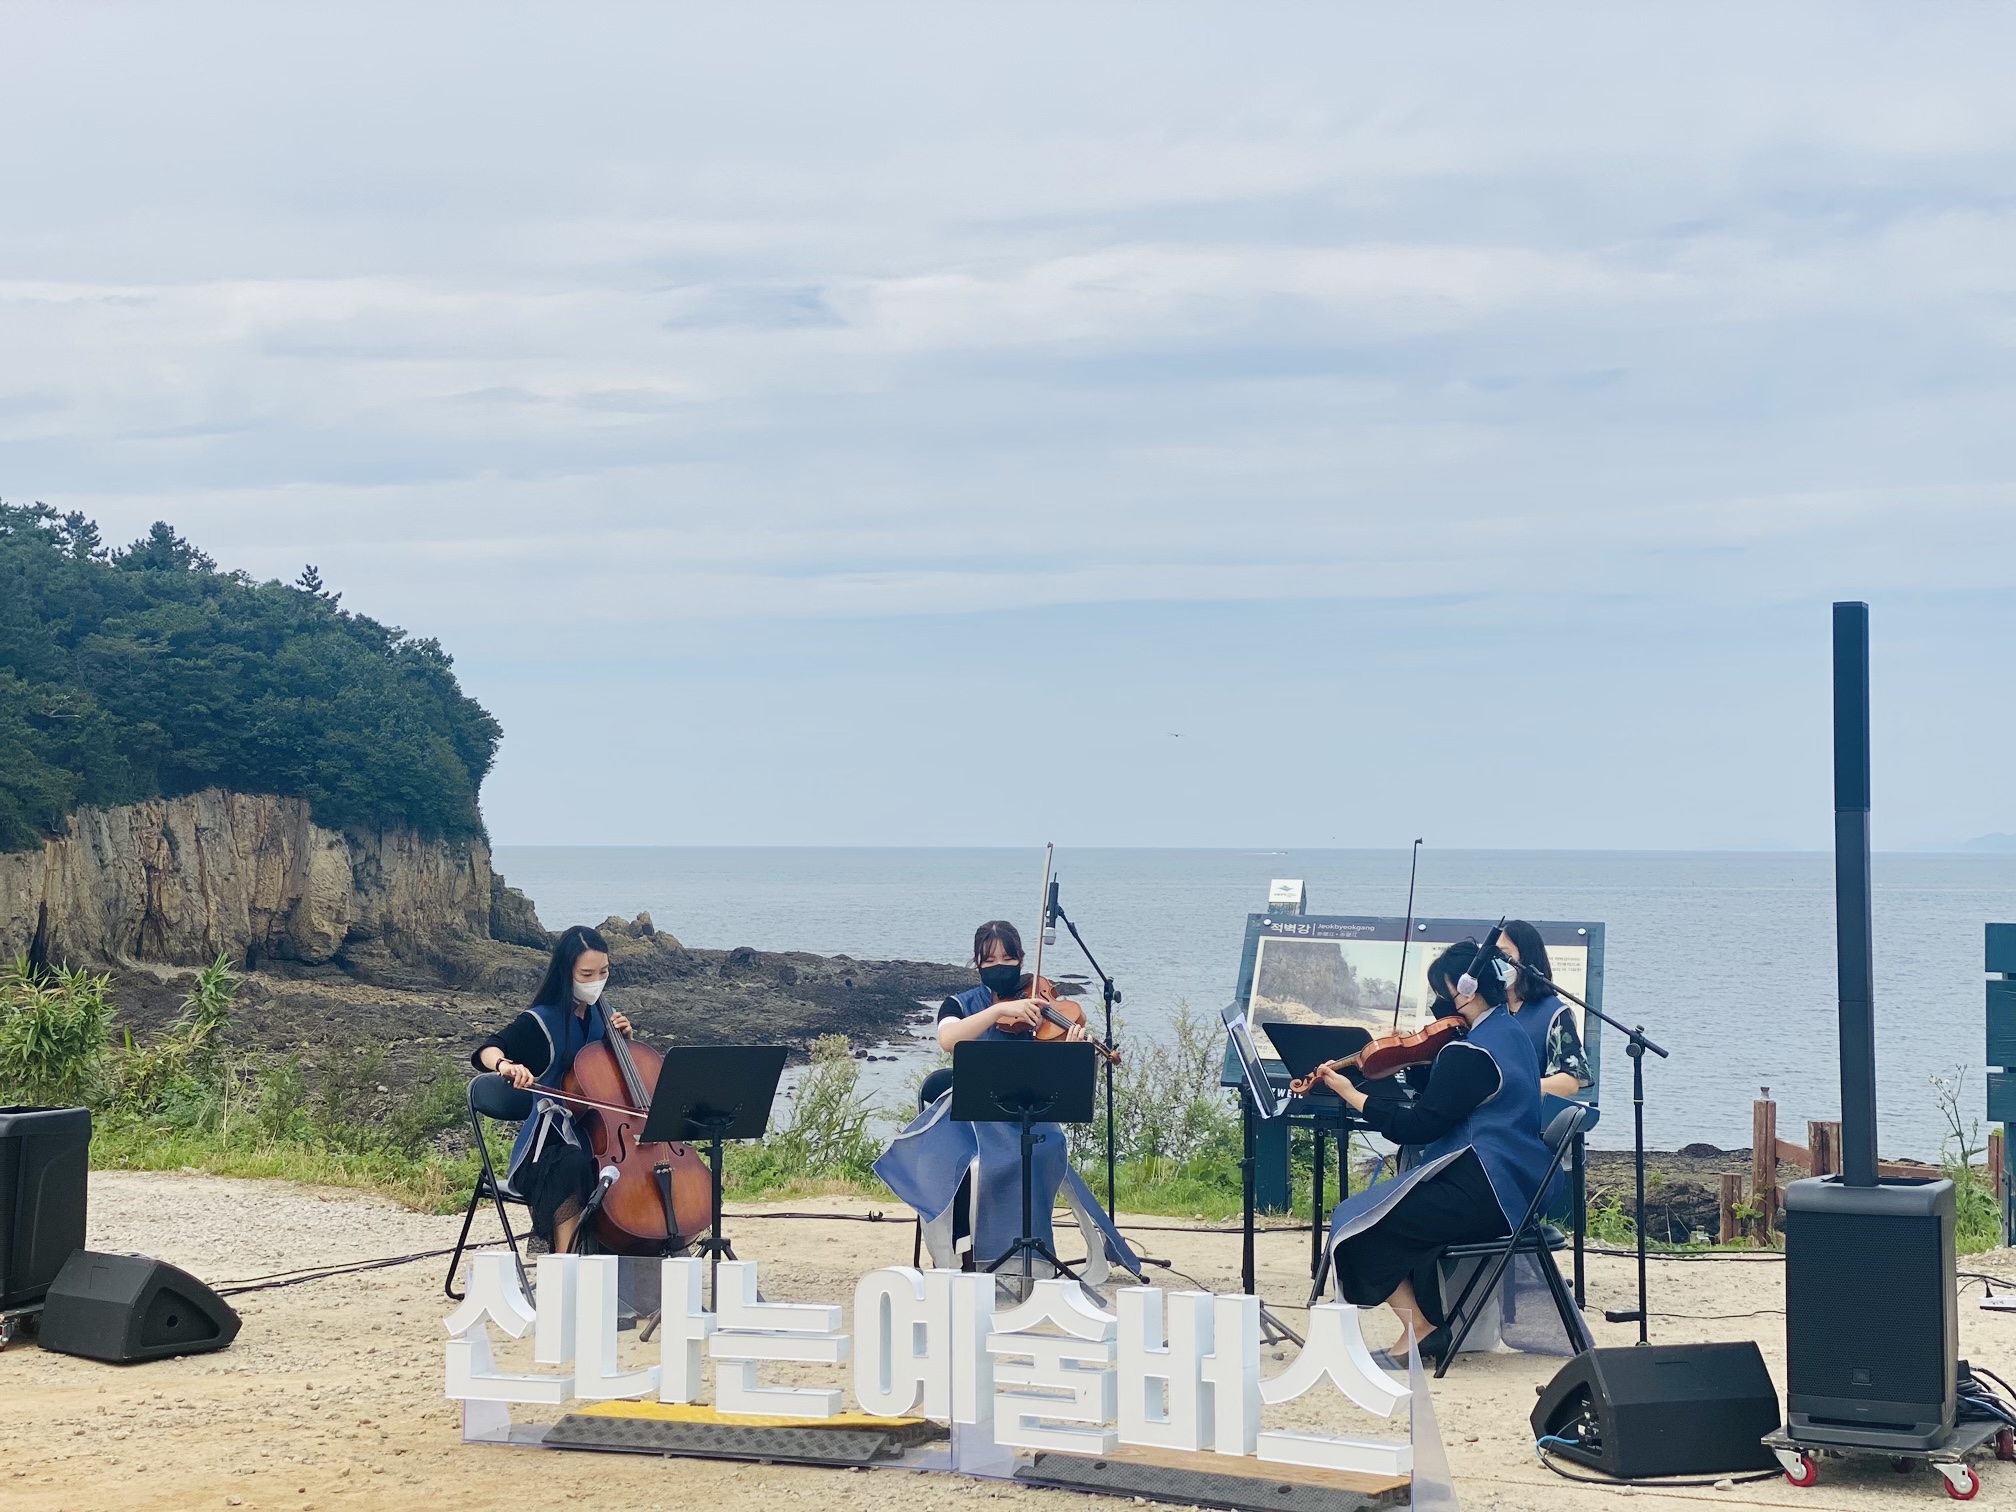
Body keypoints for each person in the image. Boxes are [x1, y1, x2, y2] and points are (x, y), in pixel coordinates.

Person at [1315, 939, 1551, 1364]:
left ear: (1467, 991)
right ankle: (1426, 1324)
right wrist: (1421, 1066)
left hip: (1485, 1190)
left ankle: (1422, 1329)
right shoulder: (1512, 1032)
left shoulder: (1470, 1053)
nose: (1440, 1005)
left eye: (1444, 993)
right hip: (1519, 1185)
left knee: (1356, 1225)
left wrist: (1352, 1094)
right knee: (1397, 1213)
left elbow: (1420, 1127)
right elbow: (1456, 1098)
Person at [877, 920, 1136, 1287]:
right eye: (990, 960)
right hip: (972, 1116)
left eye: (1008, 958)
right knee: (983, 1163)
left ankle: (1028, 1258)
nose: (1000, 966)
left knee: (1044, 1152)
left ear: (1021, 959)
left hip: (1030, 1113)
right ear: (977, 963)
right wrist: (998, 1012)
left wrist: (1072, 1048)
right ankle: (977, 1260)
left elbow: (1054, 1073)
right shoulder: (960, 1004)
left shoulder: (1038, 1005)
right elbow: (948, 1040)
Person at [471, 925, 634, 1257]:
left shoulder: (605, 1018)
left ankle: (629, 1266)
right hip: (545, 1151)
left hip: (596, 1140)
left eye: (603, 972)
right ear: (566, 972)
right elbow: (488, 1049)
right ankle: (565, 1264)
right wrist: (505, 1065)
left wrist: (625, 1043)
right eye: (586, 974)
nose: (596, 981)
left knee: (625, 1171)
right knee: (572, 1165)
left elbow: (615, 1081)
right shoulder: (540, 1021)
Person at [1499, 919, 1593, 1101]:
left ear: (1526, 957)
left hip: (1529, 1112)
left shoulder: (1554, 1013)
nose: (1498, 961)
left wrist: (1515, 1088)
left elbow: (1570, 1081)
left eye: (1505, 954)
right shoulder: (1487, 1007)